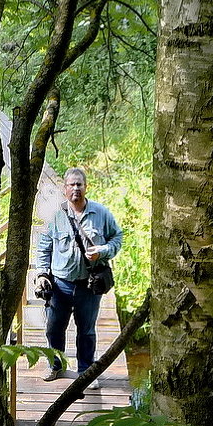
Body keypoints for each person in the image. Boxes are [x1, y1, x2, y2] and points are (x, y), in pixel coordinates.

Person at [34, 167, 123, 389]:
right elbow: (43, 247)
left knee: (87, 330)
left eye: (79, 184)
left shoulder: (101, 213)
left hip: (88, 285)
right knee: (54, 328)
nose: (76, 188)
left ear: (86, 187)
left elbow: (117, 238)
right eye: (71, 185)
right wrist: (41, 274)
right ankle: (56, 366)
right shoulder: (55, 216)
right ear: (64, 190)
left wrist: (102, 251)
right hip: (59, 285)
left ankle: (85, 371)